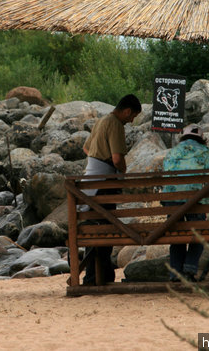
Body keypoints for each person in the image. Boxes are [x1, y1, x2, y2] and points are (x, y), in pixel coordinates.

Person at [80, 94, 141, 285]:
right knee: (105, 231)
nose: (131, 121)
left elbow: (86, 149)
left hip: (89, 182)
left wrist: (98, 161)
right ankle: (99, 276)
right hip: (104, 185)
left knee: (93, 231)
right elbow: (116, 158)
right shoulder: (115, 124)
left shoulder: (101, 121)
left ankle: (94, 276)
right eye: (132, 117)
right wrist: (121, 171)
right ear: (127, 111)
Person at [162, 124, 209, 282]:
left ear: (183, 137)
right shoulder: (204, 152)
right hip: (195, 203)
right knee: (198, 234)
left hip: (172, 203)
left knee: (176, 235)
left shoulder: (172, 152)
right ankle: (190, 270)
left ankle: (175, 273)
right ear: (201, 139)